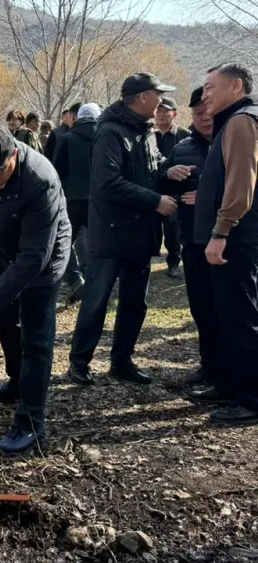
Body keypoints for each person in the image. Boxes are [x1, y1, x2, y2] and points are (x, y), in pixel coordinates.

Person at [0, 126, 72, 453]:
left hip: (42, 262)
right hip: (0, 249)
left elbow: (34, 257)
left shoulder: (40, 181)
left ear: (12, 156)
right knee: (5, 322)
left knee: (36, 339)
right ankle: (15, 382)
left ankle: (31, 422)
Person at [67, 72, 178, 386]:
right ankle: (79, 363)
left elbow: (152, 168)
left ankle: (122, 360)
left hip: (140, 234)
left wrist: (171, 169)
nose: (161, 102)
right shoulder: (111, 133)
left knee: (134, 302)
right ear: (143, 97)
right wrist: (155, 200)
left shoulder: (145, 132)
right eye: (158, 95)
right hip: (111, 233)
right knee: (97, 300)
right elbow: (108, 183)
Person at [193, 63, 258, 425]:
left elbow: (240, 184)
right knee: (225, 315)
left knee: (242, 318)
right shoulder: (231, 120)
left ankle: (251, 399)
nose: (204, 96)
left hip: (236, 239)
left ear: (236, 86)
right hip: (228, 238)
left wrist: (221, 232)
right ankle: (230, 385)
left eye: (209, 87)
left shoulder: (242, 121)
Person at [157, 87, 216, 390]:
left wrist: (207, 196)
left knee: (233, 310)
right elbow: (161, 184)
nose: (204, 118)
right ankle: (210, 365)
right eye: (197, 113)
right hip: (193, 241)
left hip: (230, 242)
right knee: (201, 306)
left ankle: (236, 371)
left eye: (207, 110)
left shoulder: (236, 139)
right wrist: (168, 175)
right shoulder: (181, 148)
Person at [52, 102, 102, 305]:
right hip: (98, 200)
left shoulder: (68, 138)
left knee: (61, 242)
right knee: (97, 244)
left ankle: (74, 278)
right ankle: (94, 282)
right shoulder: (105, 138)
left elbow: (57, 171)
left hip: (71, 200)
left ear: (77, 118)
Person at [156, 97, 193, 279]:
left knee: (172, 229)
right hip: (154, 189)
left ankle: (173, 262)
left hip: (177, 190)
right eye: (159, 111)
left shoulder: (185, 135)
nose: (161, 115)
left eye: (166, 111)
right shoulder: (149, 135)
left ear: (175, 114)